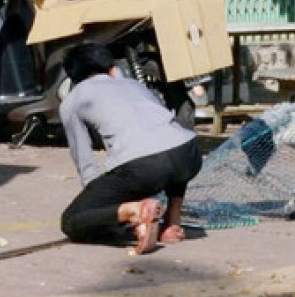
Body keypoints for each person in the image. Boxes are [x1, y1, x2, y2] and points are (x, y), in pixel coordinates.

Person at [58, 43, 202, 254]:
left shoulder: (73, 100)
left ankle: (136, 212)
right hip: (189, 154)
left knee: (71, 220)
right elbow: (162, 127)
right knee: (170, 148)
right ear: (111, 68)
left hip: (144, 168)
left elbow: (84, 158)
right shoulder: (134, 85)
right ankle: (172, 222)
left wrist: (101, 205)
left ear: (73, 77)